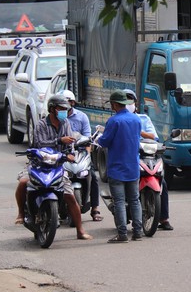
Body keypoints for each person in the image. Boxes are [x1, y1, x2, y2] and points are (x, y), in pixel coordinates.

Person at [15, 94, 92, 240]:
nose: (64, 111)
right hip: (38, 165)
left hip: (57, 167)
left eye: (65, 109)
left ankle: (80, 230)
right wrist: (59, 140)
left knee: (70, 196)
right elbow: (39, 143)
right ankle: (21, 212)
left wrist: (70, 153)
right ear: (52, 109)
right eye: (61, 108)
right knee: (23, 182)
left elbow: (70, 144)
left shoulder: (66, 124)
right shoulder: (41, 124)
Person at [97, 89, 143, 243]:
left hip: (117, 168)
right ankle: (138, 232)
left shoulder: (114, 121)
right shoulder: (136, 120)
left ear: (115, 104)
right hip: (133, 167)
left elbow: (105, 141)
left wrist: (99, 138)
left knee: (119, 202)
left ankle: (122, 234)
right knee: (135, 200)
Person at [124, 89, 173, 231]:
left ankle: (164, 218)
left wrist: (138, 131)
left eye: (130, 101)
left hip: (147, 156)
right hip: (129, 159)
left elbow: (153, 137)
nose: (128, 104)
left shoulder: (143, 119)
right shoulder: (118, 120)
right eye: (124, 101)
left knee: (162, 182)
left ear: (135, 104)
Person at [58, 89, 103, 222]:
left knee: (93, 176)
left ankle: (95, 208)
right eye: (61, 105)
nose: (65, 107)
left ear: (73, 103)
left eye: (68, 103)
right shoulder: (58, 118)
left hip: (81, 152)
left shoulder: (82, 117)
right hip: (62, 152)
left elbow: (88, 138)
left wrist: (88, 155)